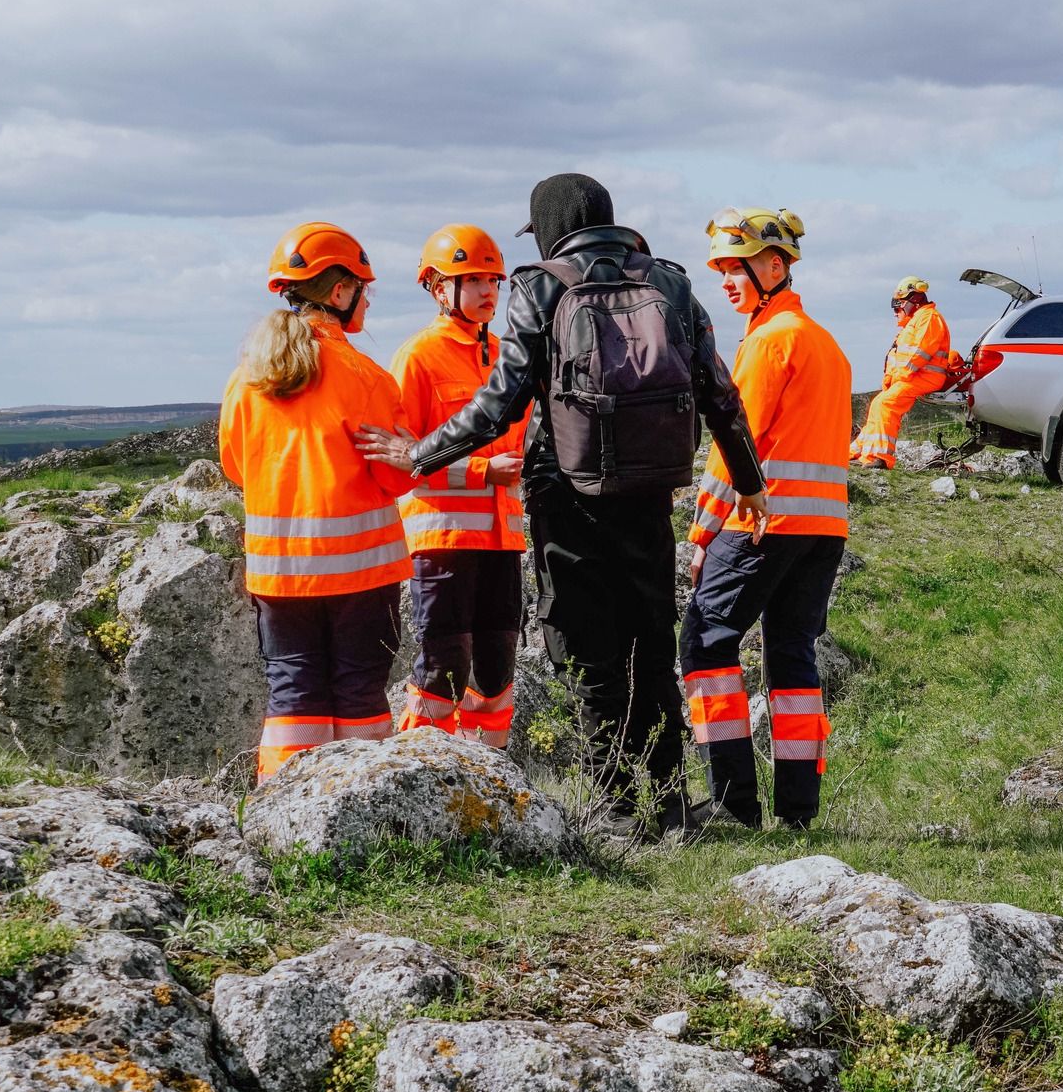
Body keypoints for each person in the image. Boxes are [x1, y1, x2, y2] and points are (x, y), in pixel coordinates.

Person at [357, 174, 766, 829]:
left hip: (564, 491)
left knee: (585, 648)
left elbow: (500, 403)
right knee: (651, 644)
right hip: (650, 489)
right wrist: (749, 481)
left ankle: (611, 802)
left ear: (550, 225)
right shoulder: (672, 283)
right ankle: (668, 803)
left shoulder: (540, 284)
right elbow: (719, 392)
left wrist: (421, 453)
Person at [220, 222, 416, 781]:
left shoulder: (247, 379)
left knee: (292, 694)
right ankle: (364, 814)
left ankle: (286, 818)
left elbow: (237, 467)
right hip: (362, 574)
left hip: (279, 576)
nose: (366, 302)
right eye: (362, 289)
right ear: (339, 292)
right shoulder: (367, 378)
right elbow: (397, 478)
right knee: (359, 691)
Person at [682, 208, 851, 831]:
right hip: (823, 531)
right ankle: (799, 810)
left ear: (774, 266)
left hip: (761, 523)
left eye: (738, 267)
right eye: (722, 269)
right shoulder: (826, 344)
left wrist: (701, 536)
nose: (727, 281)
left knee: (704, 644)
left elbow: (736, 440)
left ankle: (732, 807)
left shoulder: (768, 340)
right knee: (792, 659)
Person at [389, 224, 527, 748]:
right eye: (473, 280)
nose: (489, 290)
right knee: (445, 666)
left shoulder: (506, 358)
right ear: (439, 288)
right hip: (442, 543)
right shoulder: (418, 358)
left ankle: (487, 777)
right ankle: (423, 770)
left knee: (495, 669)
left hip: (501, 540)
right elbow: (405, 460)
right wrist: (479, 473)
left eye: (494, 280)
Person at [851, 276, 959, 468]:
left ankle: (881, 459)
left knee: (886, 403)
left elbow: (919, 353)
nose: (896, 310)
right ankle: (860, 453)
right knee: (879, 403)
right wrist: (891, 380)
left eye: (898, 304)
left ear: (914, 299)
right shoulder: (917, 320)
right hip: (914, 377)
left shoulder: (929, 318)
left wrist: (899, 378)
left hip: (924, 377)